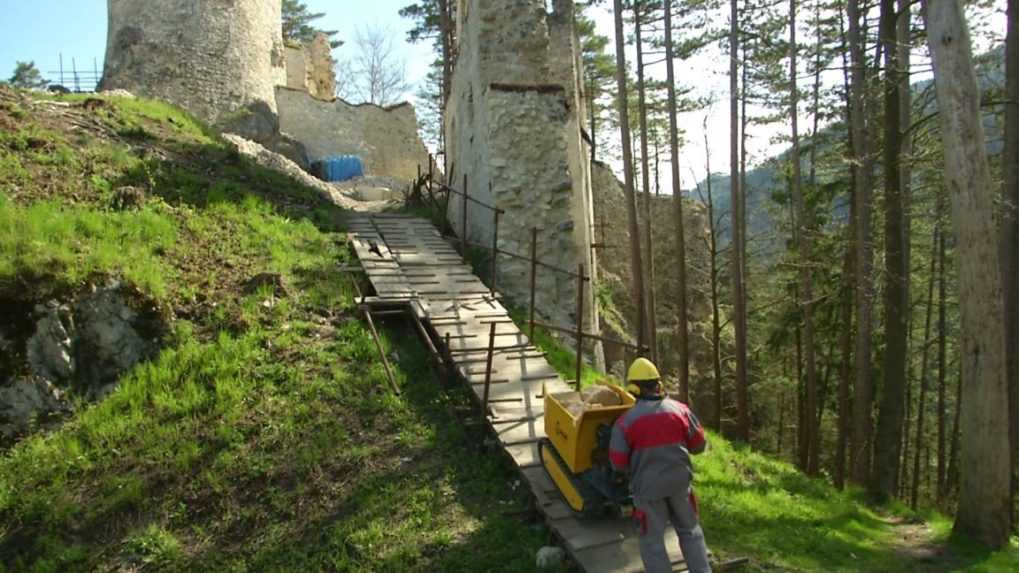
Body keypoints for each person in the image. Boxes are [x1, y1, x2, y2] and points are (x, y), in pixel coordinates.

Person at [609, 358, 712, 573]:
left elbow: (618, 463)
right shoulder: (681, 411)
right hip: (680, 485)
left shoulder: (625, 422)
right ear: (659, 384)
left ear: (633, 389)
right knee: (690, 531)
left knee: (652, 542)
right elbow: (699, 445)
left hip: (648, 491)